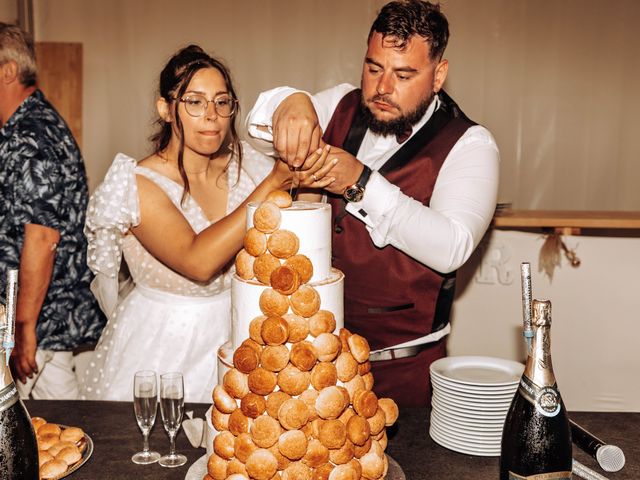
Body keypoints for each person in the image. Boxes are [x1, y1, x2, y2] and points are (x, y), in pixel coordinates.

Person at [246, 0, 500, 407]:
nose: (383, 88)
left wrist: (360, 182)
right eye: (373, 68)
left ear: (439, 75)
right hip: (314, 365)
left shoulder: (470, 144)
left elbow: (452, 246)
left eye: (404, 74)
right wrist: (290, 100)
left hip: (403, 373)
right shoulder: (344, 103)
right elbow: (258, 131)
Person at [79, 45, 332, 403]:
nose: (211, 115)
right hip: (161, 352)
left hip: (239, 339)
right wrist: (275, 180)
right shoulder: (134, 184)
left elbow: (298, 229)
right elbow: (198, 261)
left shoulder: (251, 167)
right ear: (166, 109)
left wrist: (310, 170)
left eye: (222, 102)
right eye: (195, 102)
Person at [0, 23, 106, 399]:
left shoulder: (31, 135)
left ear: (9, 70)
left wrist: (23, 326)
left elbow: (42, 237)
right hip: (40, 321)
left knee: (54, 432)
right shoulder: (30, 125)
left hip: (41, 323)